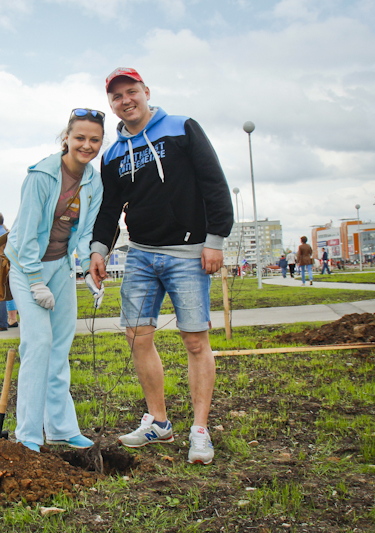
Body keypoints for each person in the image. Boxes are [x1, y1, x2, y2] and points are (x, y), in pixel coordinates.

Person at [89, 68, 234, 465]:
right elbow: (109, 207)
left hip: (188, 253)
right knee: (137, 335)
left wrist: (215, 240)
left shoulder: (182, 128)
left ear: (146, 92)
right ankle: (158, 422)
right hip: (140, 254)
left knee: (195, 341)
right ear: (111, 104)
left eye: (131, 91)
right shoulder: (114, 154)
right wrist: (99, 249)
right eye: (117, 96)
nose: (125, 100)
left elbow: (213, 182)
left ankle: (199, 431)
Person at [5, 107, 105, 452]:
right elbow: (26, 233)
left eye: (95, 140)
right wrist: (35, 281)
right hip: (27, 267)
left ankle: (61, 428)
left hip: (61, 265)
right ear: (67, 137)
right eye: (80, 137)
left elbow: (85, 232)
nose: (87, 145)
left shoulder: (93, 181)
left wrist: (89, 266)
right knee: (38, 344)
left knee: (60, 347)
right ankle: (29, 435)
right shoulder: (42, 175)